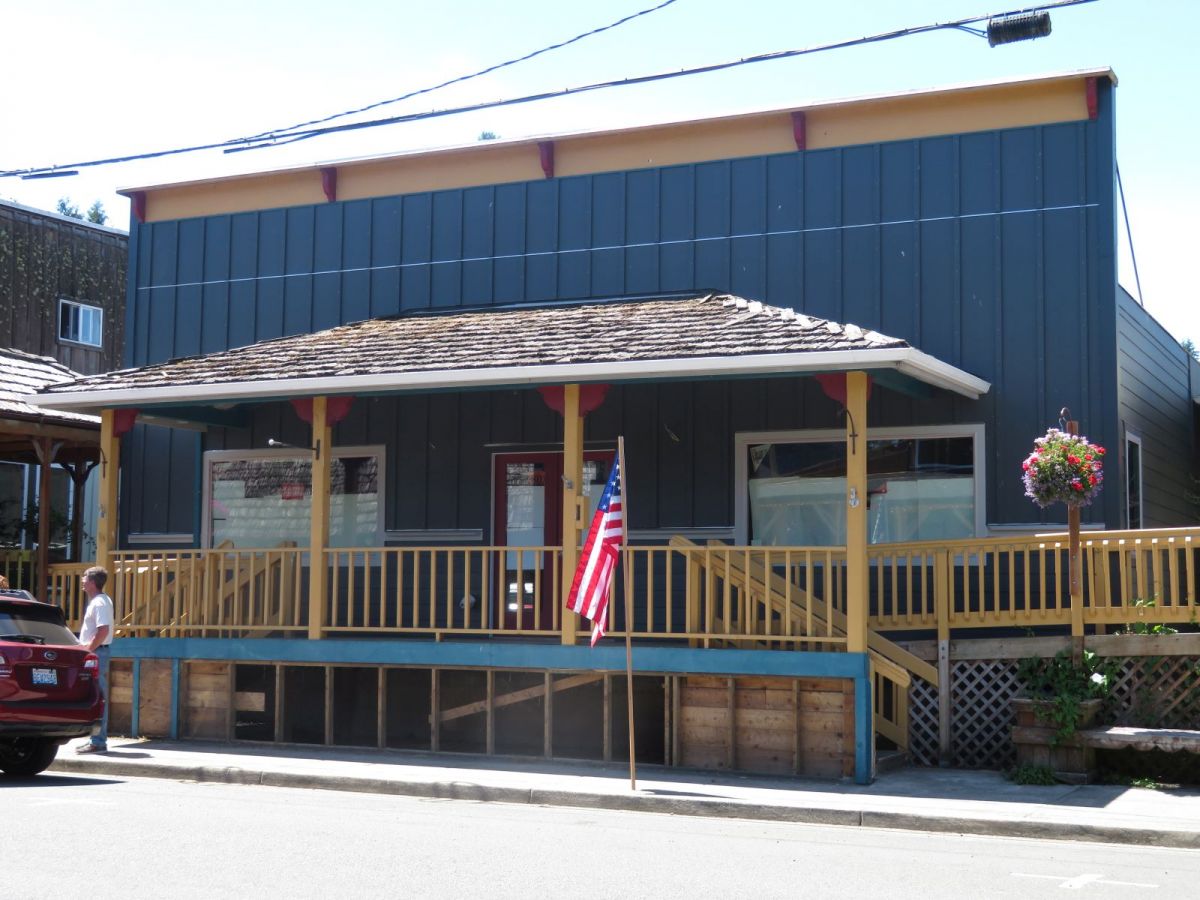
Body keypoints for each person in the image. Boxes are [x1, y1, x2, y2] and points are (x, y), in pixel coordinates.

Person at [75, 566, 114, 753]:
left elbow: (103, 630)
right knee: (95, 695)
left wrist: (88, 651)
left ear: (92, 582)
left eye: (84, 578)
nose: (82, 581)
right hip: (97, 652)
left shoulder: (99, 603)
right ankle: (96, 739)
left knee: (98, 697)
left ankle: (98, 742)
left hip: (97, 653)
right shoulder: (100, 601)